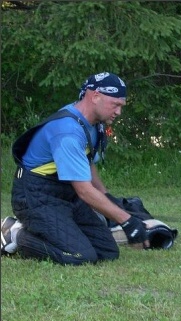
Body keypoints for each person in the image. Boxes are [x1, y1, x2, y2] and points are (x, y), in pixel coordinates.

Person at [0, 72, 148, 265]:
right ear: (95, 96)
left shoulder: (92, 124)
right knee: (80, 256)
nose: (119, 112)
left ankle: (40, 232)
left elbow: (87, 162)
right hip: (35, 196)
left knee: (107, 252)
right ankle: (14, 234)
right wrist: (127, 221)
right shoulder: (68, 131)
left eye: (121, 106)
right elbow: (85, 191)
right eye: (116, 104)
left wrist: (107, 197)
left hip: (66, 195)